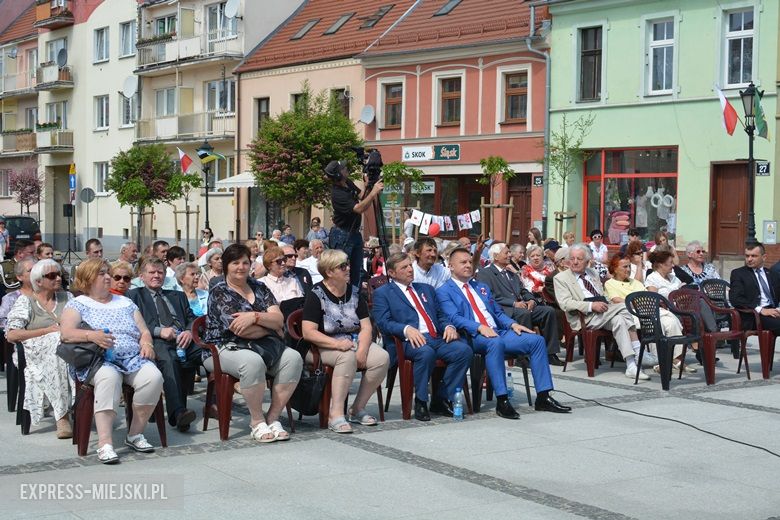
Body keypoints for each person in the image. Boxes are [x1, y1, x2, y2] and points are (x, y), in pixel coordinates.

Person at [437, 248, 571, 419]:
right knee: (495, 343)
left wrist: (513, 324)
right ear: (451, 266)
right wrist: (478, 327)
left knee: (536, 341)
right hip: (473, 336)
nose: (468, 265)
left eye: (470, 262)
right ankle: (502, 400)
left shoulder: (481, 287)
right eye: (463, 262)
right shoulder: (444, 290)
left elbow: (498, 313)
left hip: (498, 331)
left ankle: (543, 397)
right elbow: (454, 318)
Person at [60, 259, 164, 464]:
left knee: (153, 377)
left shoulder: (125, 302)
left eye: (108, 272)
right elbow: (66, 333)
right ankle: (105, 443)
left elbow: (144, 331)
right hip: (98, 360)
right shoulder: (78, 304)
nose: (108, 277)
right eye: (102, 273)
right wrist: (92, 336)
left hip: (132, 357)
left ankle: (135, 434)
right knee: (109, 377)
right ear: (88, 279)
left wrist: (147, 344)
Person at [204, 244, 302, 443]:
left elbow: (279, 319)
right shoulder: (219, 291)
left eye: (245, 262)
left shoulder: (259, 286)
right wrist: (270, 325)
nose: (241, 267)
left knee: (293, 358)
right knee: (252, 362)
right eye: (235, 263)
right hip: (223, 347)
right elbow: (241, 330)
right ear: (225, 266)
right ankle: (256, 421)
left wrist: (254, 316)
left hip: (263, 345)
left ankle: (273, 418)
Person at [373, 252, 472, 421]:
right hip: (408, 341)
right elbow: (383, 322)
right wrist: (406, 329)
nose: (410, 270)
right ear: (391, 273)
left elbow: (440, 315)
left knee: (463, 350)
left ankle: (441, 398)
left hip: (436, 338)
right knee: (425, 353)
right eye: (403, 267)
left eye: (410, 265)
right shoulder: (384, 293)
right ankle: (421, 400)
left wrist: (448, 326)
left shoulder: (425, 289)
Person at [302, 249, 390, 433]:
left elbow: (366, 326)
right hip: (321, 346)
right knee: (347, 357)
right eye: (342, 266)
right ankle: (335, 413)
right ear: (329, 271)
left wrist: (363, 350)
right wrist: (337, 345)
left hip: (352, 342)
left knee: (381, 357)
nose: (348, 268)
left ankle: (357, 408)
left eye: (347, 264)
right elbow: (308, 332)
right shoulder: (316, 294)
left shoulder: (355, 293)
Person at [554, 244, 650, 380]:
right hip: (584, 317)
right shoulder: (561, 278)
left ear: (587, 261)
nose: (575, 262)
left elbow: (602, 294)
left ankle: (631, 365)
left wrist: (604, 303)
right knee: (624, 306)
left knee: (619, 320)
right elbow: (565, 303)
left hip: (604, 313)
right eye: (572, 258)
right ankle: (639, 350)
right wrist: (591, 305)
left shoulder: (592, 272)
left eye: (579, 259)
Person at [129, 257, 201, 432]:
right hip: (157, 341)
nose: (156, 276)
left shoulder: (177, 295)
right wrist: (158, 331)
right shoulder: (134, 296)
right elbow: (132, 323)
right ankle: (178, 413)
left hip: (184, 339)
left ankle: (217, 402)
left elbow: (192, 318)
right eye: (152, 272)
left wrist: (189, 331)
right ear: (142, 276)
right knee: (169, 359)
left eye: (160, 272)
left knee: (211, 353)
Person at [5, 259, 73, 438]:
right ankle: (62, 416)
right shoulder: (26, 302)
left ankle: (82, 407)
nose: (58, 278)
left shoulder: (68, 298)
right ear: (38, 281)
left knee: (61, 349)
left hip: (68, 351)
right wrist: (47, 331)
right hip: (34, 354)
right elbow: (12, 334)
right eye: (52, 275)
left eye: (59, 274)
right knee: (55, 346)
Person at [477, 242, 564, 366]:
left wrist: (531, 300)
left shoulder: (511, 273)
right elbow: (490, 297)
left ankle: (551, 353)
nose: (509, 255)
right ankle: (522, 356)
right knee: (523, 314)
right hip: (505, 310)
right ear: (496, 256)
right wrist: (513, 303)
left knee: (548, 311)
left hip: (522, 307)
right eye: (506, 253)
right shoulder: (485, 273)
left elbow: (523, 290)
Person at [604, 255, 692, 372]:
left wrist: (643, 303)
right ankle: (659, 361)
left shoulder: (636, 283)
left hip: (648, 309)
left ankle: (676, 358)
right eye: (625, 267)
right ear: (615, 269)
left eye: (630, 266)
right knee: (654, 323)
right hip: (630, 313)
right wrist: (639, 303)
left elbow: (649, 297)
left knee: (671, 321)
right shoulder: (610, 283)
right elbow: (617, 300)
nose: (629, 270)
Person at [325, 159, 384, 288]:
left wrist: (368, 185)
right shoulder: (337, 194)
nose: (346, 169)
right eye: (343, 169)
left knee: (357, 270)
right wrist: (373, 192)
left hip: (354, 233)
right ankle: (340, 295)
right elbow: (359, 208)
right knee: (340, 270)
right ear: (338, 175)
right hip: (342, 234)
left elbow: (362, 196)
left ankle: (355, 298)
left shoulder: (347, 183)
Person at [730, 243, 780, 336]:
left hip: (773, 312)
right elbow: (735, 299)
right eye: (747, 256)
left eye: (754, 256)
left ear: (764, 257)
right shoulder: (738, 273)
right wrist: (761, 310)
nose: (749, 259)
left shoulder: (771, 273)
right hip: (753, 315)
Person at [259, 247, 305, 317]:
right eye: (279, 261)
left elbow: (301, 304)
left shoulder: (292, 281)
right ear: (269, 265)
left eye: (284, 260)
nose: (283, 263)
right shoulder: (262, 283)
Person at [0, 257, 35, 329]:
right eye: (30, 270)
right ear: (19, 277)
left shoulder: (49, 294)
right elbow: (2, 321)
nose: (35, 273)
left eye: (36, 269)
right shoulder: (10, 298)